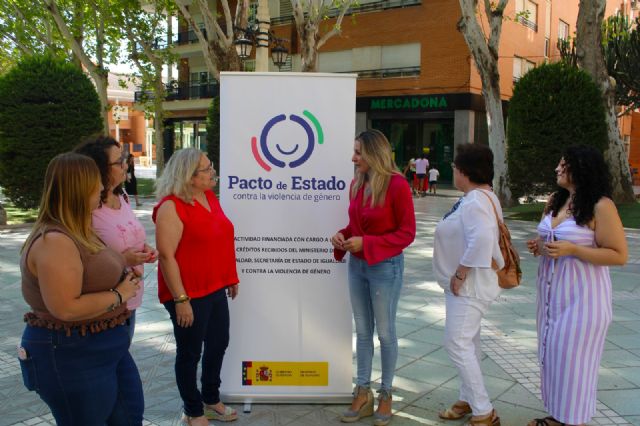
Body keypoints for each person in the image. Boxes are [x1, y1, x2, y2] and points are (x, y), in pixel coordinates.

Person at [18, 152, 144, 425]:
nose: (101, 188)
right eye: (96, 182)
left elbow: (93, 267)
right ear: (79, 189)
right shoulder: (55, 241)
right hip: (70, 352)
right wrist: (120, 293)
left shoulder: (80, 228)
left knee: (129, 417)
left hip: (105, 345)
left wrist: (125, 262)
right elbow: (65, 307)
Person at [526, 145, 627, 426]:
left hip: (583, 300)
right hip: (550, 297)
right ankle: (560, 416)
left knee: (575, 366)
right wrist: (541, 246)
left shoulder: (601, 206)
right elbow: (550, 239)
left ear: (582, 169)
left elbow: (619, 255)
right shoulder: (554, 201)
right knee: (553, 358)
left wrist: (574, 250)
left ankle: (574, 420)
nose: (557, 169)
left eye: (564, 165)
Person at [331, 129, 416, 426]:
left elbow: (407, 233)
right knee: (363, 333)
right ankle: (362, 391)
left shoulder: (397, 185)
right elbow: (356, 226)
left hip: (385, 267)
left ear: (373, 154)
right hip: (357, 265)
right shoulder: (356, 184)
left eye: (358, 153)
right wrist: (343, 236)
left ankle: (386, 394)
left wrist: (366, 244)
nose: (353, 158)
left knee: (385, 333)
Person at [153, 148, 239, 426]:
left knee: (218, 343)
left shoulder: (210, 197)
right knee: (190, 353)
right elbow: (166, 256)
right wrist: (180, 299)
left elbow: (220, 238)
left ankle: (210, 399)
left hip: (214, 287)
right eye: (206, 169)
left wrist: (230, 276)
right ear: (188, 176)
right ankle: (193, 410)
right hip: (187, 293)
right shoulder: (171, 207)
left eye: (210, 165)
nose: (212, 171)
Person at [433, 143, 503, 426]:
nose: (453, 171)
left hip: (469, 287)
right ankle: (468, 399)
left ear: (464, 171)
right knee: (469, 343)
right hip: (469, 286)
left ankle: (484, 411)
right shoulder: (481, 196)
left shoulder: (475, 201)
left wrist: (460, 274)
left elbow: (483, 240)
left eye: (455, 167)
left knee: (456, 343)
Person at [75, 136, 158, 339]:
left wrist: (145, 249)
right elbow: (82, 255)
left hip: (131, 296)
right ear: (100, 168)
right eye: (119, 161)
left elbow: (126, 236)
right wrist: (123, 259)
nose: (125, 164)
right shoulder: (89, 208)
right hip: (106, 303)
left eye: (125, 158)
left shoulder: (122, 197)